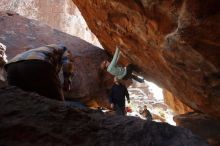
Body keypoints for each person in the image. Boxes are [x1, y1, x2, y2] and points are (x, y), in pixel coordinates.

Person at [4, 44, 74, 101]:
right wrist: (67, 82)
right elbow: (67, 64)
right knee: (57, 101)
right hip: (36, 62)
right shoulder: (63, 48)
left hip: (11, 66)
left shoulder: (40, 50)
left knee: (19, 99)